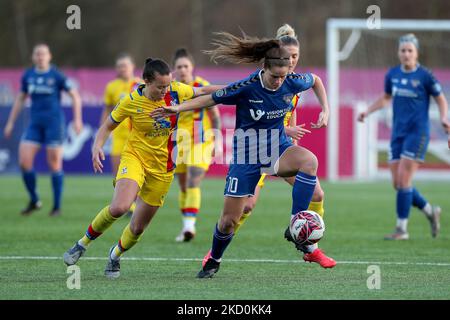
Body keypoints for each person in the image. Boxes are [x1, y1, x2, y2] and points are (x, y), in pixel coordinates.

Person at [151, 32, 330, 278]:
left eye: (284, 76)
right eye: (275, 77)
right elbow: (209, 99)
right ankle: (214, 258)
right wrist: (178, 108)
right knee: (228, 221)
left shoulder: (291, 80)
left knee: (310, 161)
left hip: (277, 148)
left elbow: (316, 80)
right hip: (247, 155)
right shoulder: (247, 87)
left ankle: (295, 225)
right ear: (264, 69)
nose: (280, 82)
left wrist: (326, 110)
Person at [63, 58, 220, 278]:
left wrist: (241, 87)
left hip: (163, 168)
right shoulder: (130, 101)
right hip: (135, 157)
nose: (165, 90)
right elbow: (107, 125)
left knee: (137, 228)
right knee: (119, 207)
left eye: (167, 85)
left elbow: (204, 90)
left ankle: (115, 255)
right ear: (146, 81)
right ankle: (82, 244)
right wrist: (97, 146)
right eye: (160, 86)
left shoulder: (176, 91)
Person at [201, 24, 335, 268]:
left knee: (317, 193)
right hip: (257, 148)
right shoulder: (264, 79)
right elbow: (232, 97)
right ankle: (214, 252)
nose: (292, 61)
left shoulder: (291, 82)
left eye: (296, 56)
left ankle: (307, 244)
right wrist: (193, 91)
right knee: (246, 206)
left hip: (280, 148)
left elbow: (291, 109)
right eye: (289, 56)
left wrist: (317, 117)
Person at [358, 34, 449, 240]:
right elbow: (386, 98)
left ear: (416, 53)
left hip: (417, 133)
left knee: (404, 179)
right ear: (398, 53)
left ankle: (402, 229)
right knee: (398, 184)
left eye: (410, 50)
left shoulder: (425, 76)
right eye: (403, 50)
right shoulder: (393, 74)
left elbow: (440, 98)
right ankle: (430, 211)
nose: (406, 54)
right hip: (397, 133)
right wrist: (368, 111)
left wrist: (444, 118)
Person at [3, 43, 82, 216]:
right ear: (33, 57)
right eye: (37, 54)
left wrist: (77, 120)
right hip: (35, 124)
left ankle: (56, 207)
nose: (40, 57)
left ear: (49, 56)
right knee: (24, 161)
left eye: (43, 54)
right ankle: (34, 200)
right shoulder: (28, 76)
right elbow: (20, 99)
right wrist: (10, 122)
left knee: (54, 164)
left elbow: (75, 96)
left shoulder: (56, 75)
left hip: (54, 124)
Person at [172, 48, 222, 242]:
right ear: (174, 70)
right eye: (179, 67)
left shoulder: (202, 86)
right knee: (184, 186)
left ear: (192, 67)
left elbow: (215, 116)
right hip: (178, 143)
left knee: (193, 180)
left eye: (186, 66)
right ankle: (186, 226)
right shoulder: (171, 89)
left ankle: (190, 226)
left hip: (201, 141)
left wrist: (217, 140)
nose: (183, 69)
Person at [101, 54, 141, 178]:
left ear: (132, 66)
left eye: (125, 65)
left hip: (137, 135)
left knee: (138, 174)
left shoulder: (140, 85)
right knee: (117, 174)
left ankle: (136, 197)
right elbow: (107, 110)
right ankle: (120, 197)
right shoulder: (111, 86)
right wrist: (103, 130)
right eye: (119, 66)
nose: (122, 69)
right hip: (118, 135)